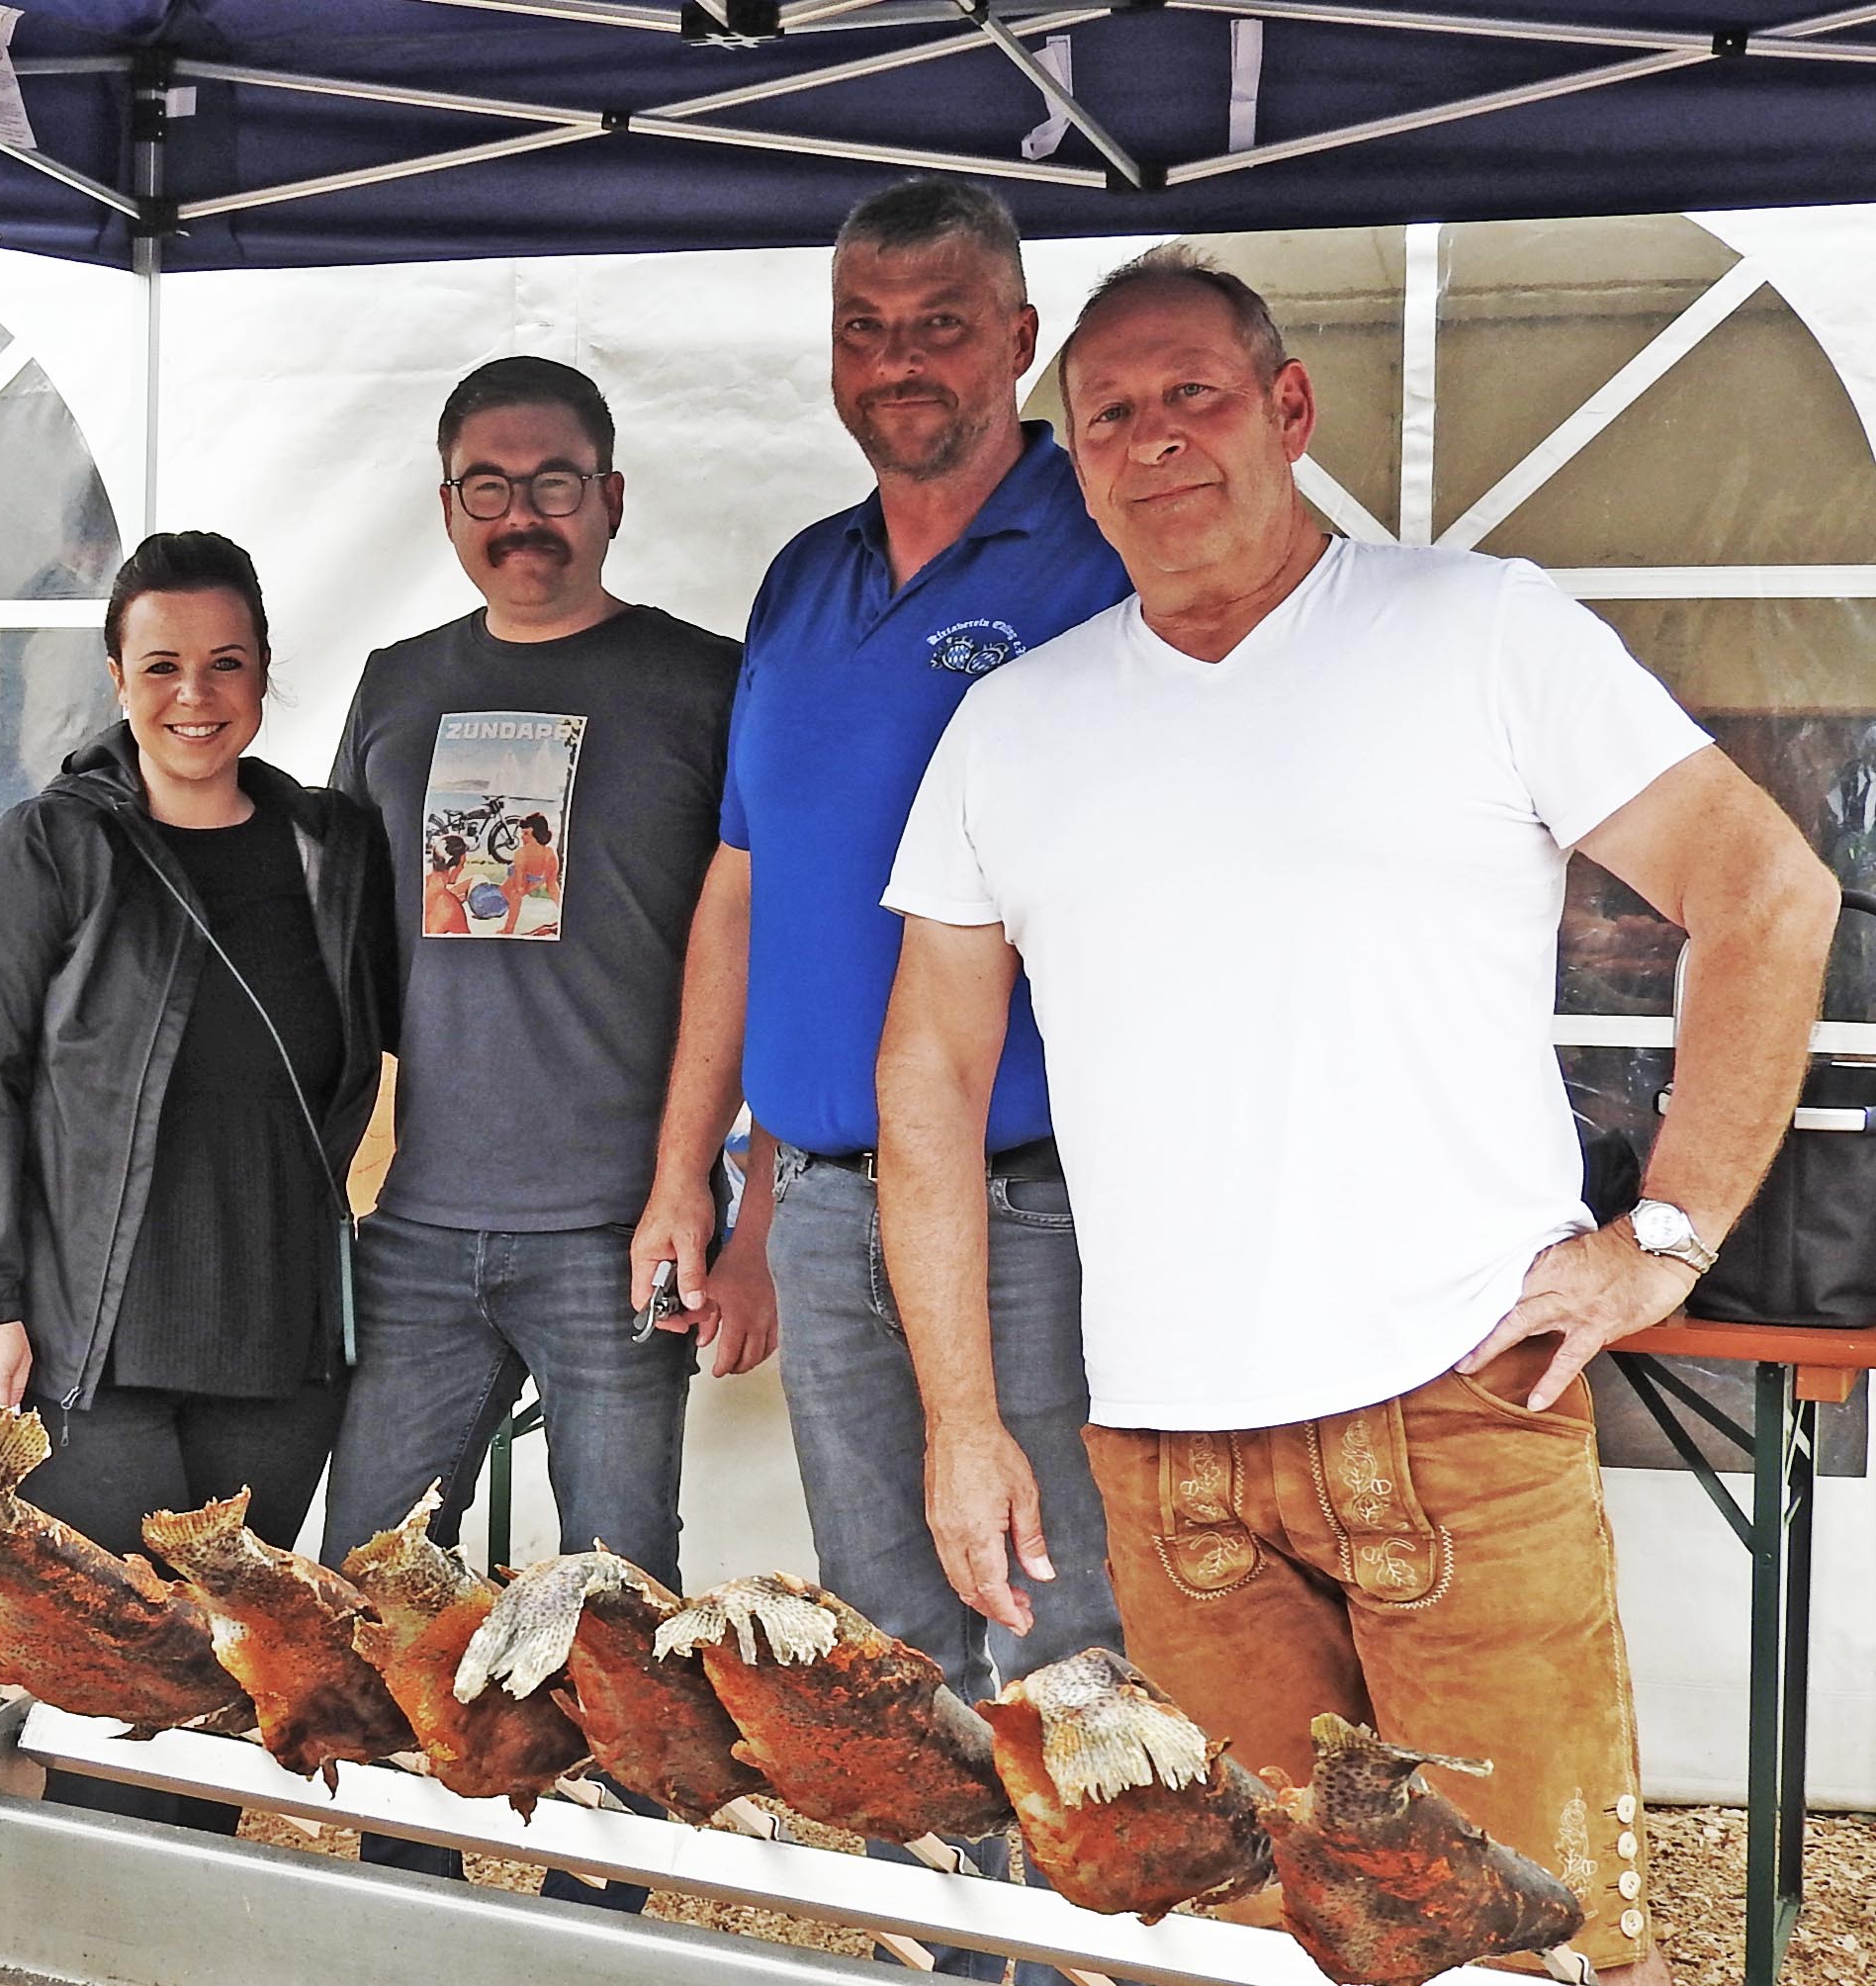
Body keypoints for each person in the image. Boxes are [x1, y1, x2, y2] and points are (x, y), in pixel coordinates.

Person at [875, 245, 1840, 1984]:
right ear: (1074, 461)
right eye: (1112, 416)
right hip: (1166, 1455)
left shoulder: (1480, 631)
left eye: (1194, 395)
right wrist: (962, 1420)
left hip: (1456, 1404)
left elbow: (1766, 893)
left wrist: (1665, 1237)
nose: (1157, 440)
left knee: (1530, 1956)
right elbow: (927, 1079)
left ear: (1290, 408)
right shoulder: (1010, 727)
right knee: (1247, 1959)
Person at [630, 176, 1128, 1973]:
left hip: (1033, 1202)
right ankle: (958, 1955)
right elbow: (744, 892)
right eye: (866, 329)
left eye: (939, 326)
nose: (899, 362)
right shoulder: (803, 576)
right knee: (893, 1649)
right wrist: (704, 1181)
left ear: (1022, 340)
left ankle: (1078, 1955)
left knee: (1058, 1642)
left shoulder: (1107, 554)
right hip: (830, 1207)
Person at [320, 356, 767, 1899]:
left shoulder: (707, 685)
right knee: (376, 1581)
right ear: (448, 505)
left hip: (617, 1232)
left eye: (555, 482)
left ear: (613, 496)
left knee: (622, 1599)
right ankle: (401, 1877)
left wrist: (737, 1204)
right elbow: (333, 948)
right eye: (490, 488)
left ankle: (609, 1909)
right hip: (418, 1230)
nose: (524, 517)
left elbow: (777, 955)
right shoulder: (395, 686)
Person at [0, 527, 396, 1831]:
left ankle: (183, 1912)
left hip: (280, 1347)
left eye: (226, 663)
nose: (197, 695)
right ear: (119, 678)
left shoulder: (328, 849)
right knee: (118, 1682)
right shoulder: (56, 848)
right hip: (98, 1350)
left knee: (228, 1686)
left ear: (264, 672)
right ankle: (90, 1919)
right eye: (164, 666)